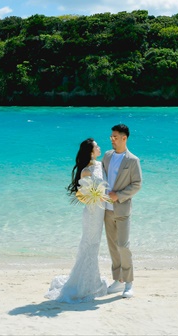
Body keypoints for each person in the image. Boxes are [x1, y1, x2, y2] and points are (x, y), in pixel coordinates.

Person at [45, 138, 109, 303]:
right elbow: (83, 196)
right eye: (96, 146)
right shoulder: (85, 171)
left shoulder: (100, 164)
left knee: (95, 245)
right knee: (89, 245)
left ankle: (92, 281)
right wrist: (96, 196)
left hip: (100, 212)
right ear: (90, 151)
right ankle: (85, 285)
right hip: (92, 212)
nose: (99, 147)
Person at [102, 123, 143, 298]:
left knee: (123, 246)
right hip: (106, 209)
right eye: (111, 136)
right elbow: (101, 176)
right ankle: (117, 280)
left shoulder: (133, 160)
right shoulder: (107, 156)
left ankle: (128, 283)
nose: (112, 139)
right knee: (112, 246)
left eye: (115, 137)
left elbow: (137, 184)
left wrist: (119, 195)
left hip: (122, 208)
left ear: (124, 138)